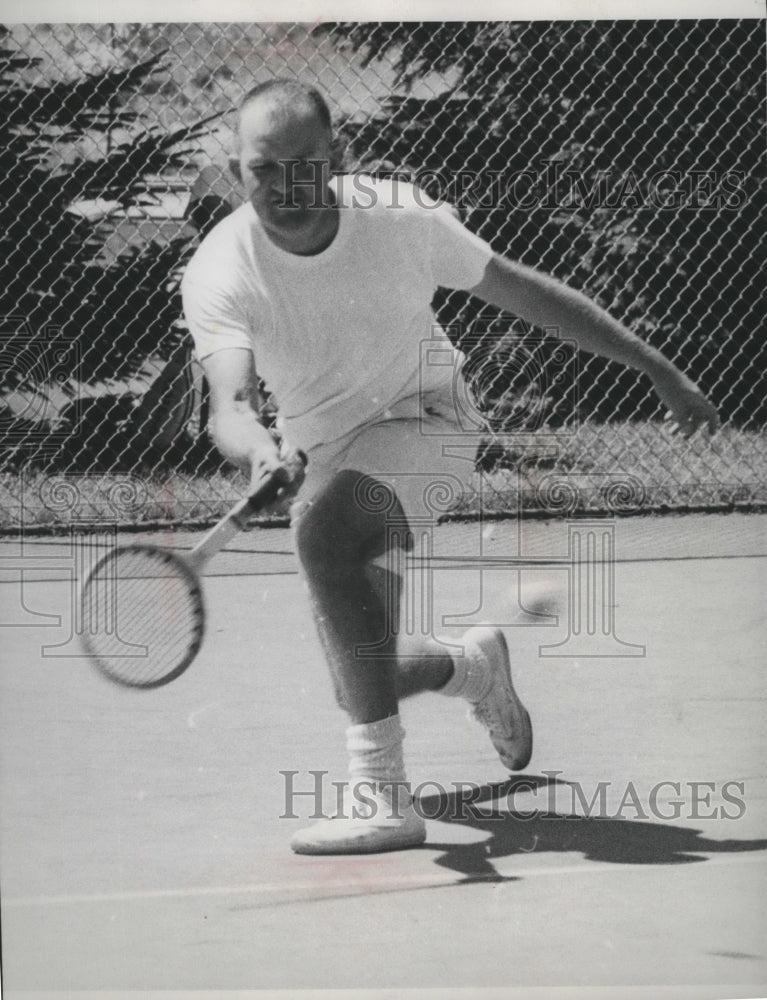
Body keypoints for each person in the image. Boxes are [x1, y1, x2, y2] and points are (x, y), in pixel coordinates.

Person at [181, 79, 718, 856]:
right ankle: (474, 668)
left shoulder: (397, 218)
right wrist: (260, 448)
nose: (286, 188)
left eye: (306, 165)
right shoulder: (220, 269)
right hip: (328, 454)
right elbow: (227, 405)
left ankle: (383, 798)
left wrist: (655, 367)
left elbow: (525, 293)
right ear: (238, 170)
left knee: (324, 543)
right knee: (363, 676)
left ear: (339, 158)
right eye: (265, 169)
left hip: (429, 423)